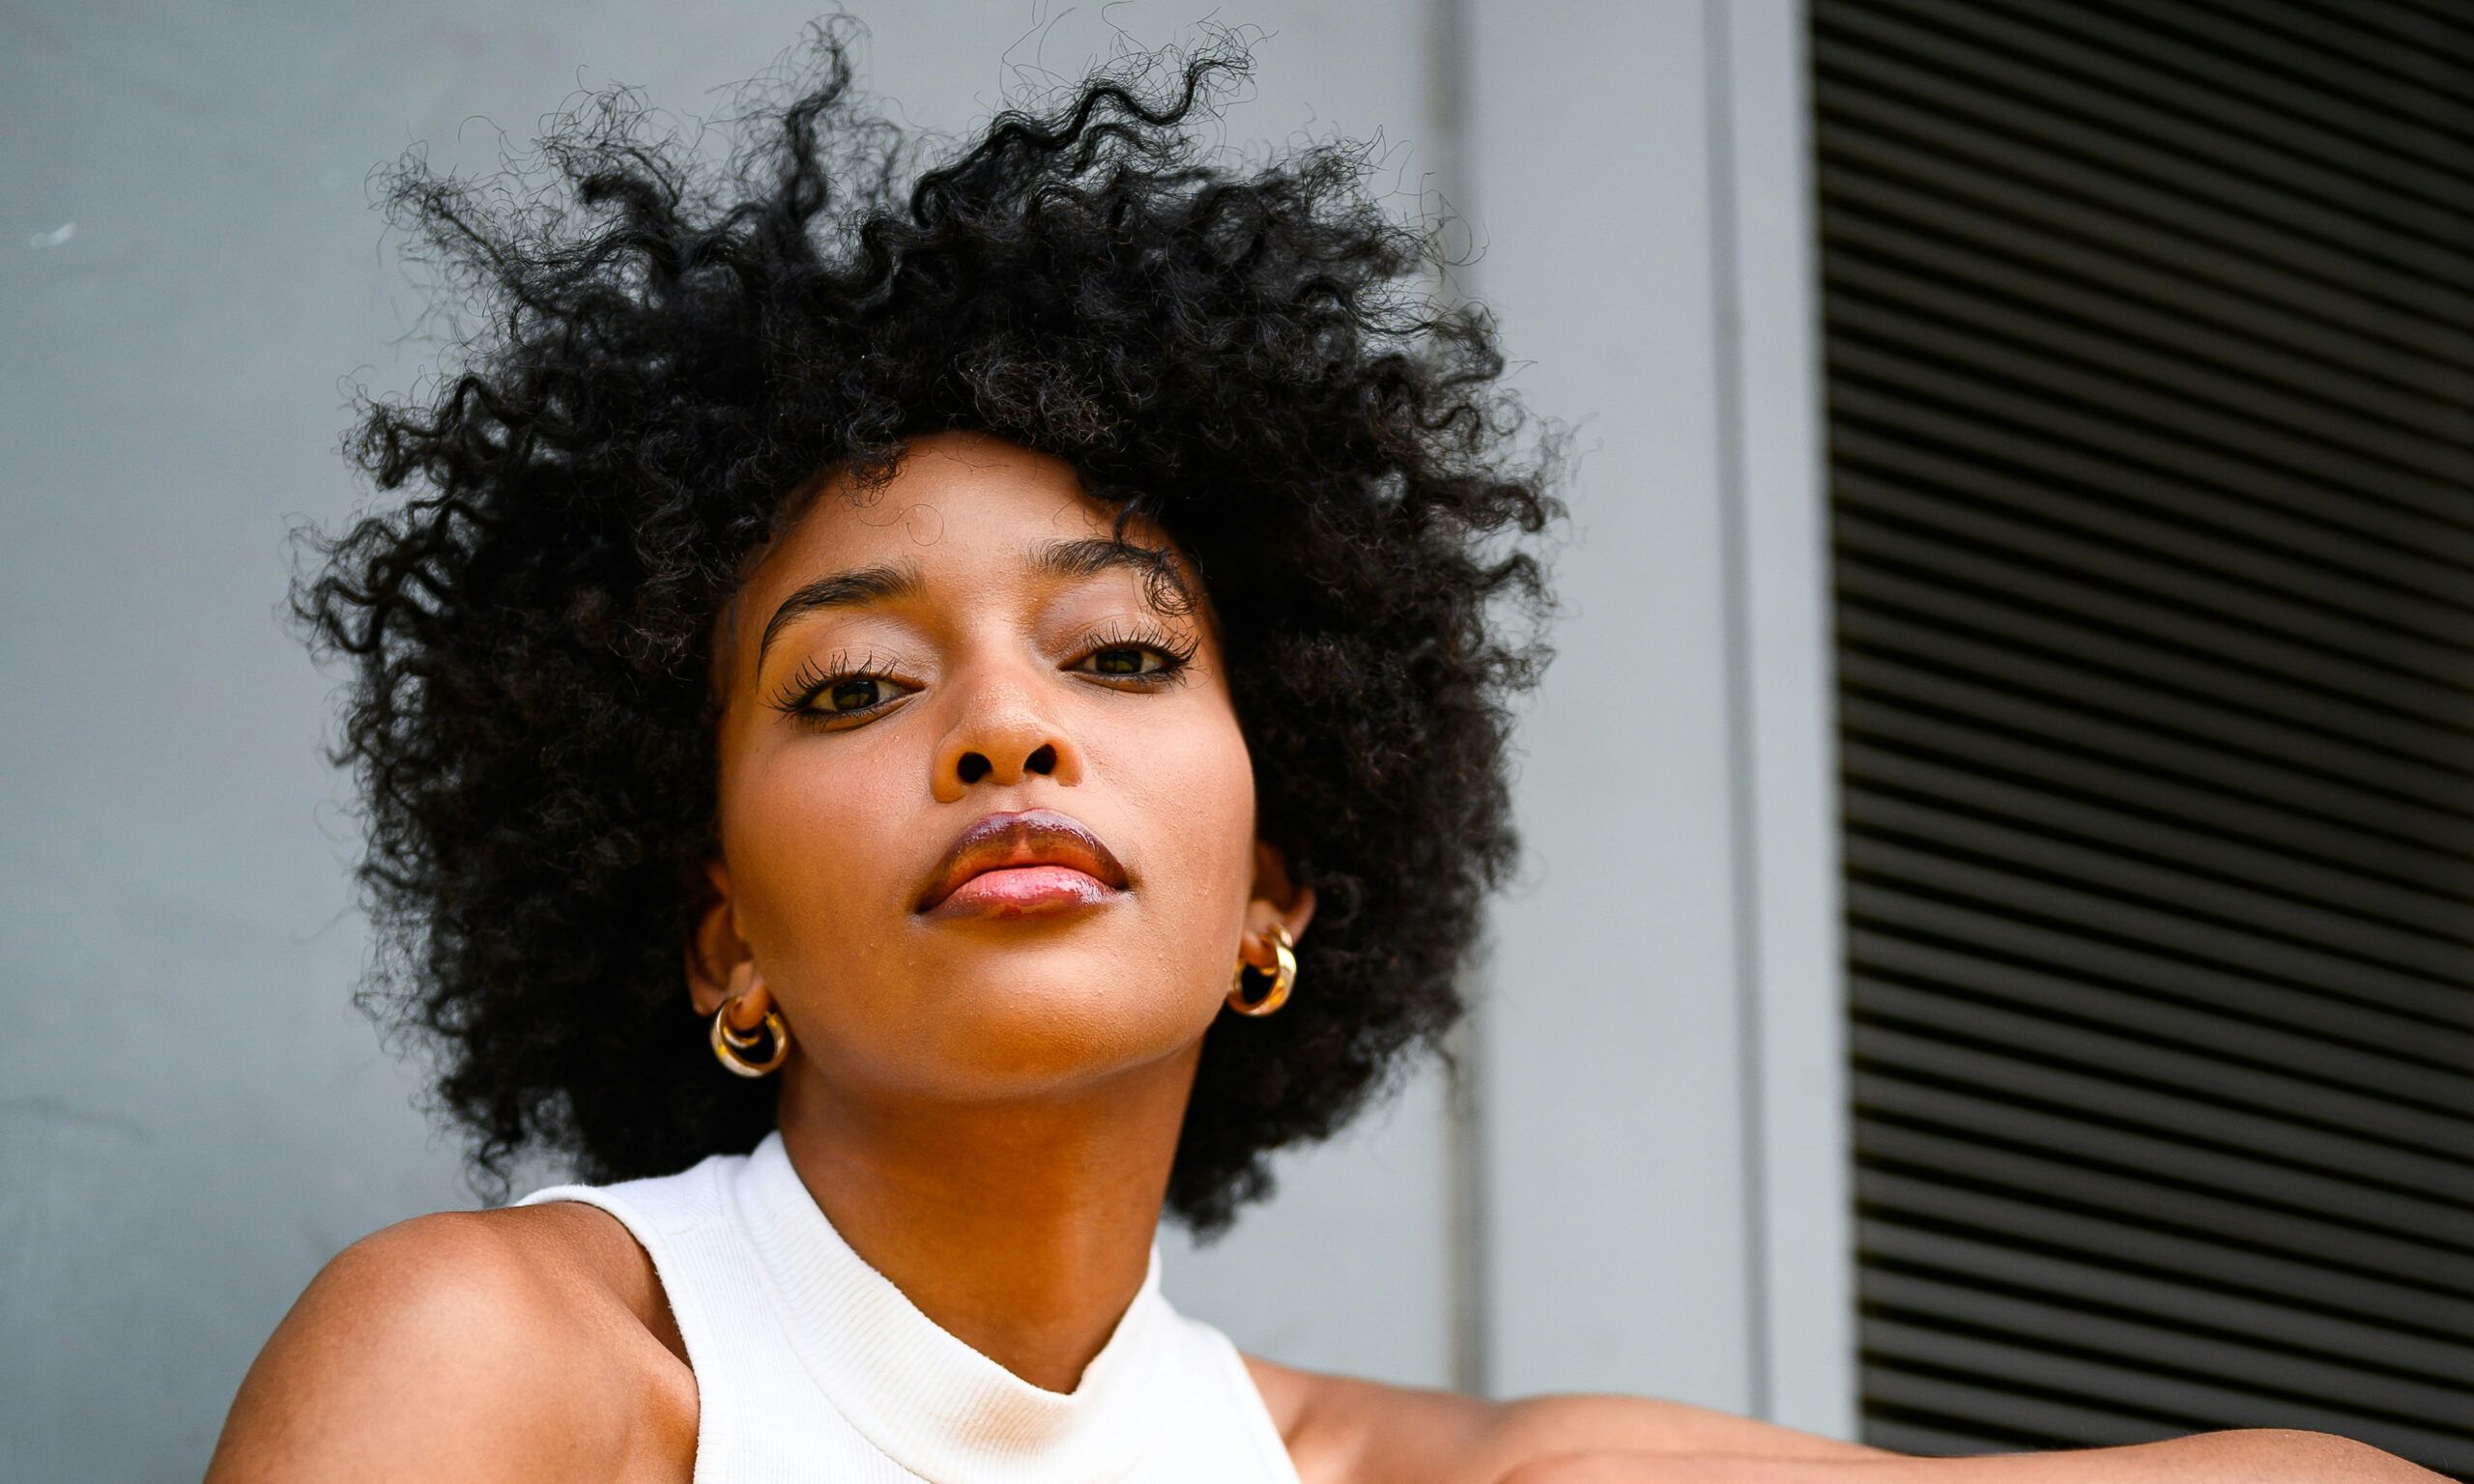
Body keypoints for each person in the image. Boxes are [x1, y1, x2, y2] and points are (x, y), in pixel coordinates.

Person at [204, 18, 2440, 1483]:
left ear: (1278, 886)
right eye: (855, 687)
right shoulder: (517, 1362)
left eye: (1118, 657)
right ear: (720, 938)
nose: (1004, 731)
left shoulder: (1373, 1472)